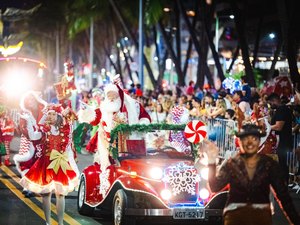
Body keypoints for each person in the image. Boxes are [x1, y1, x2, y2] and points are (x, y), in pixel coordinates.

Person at [205, 124, 300, 225]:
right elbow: (215, 186)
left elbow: (284, 196)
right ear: (240, 142)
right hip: (236, 217)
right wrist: (211, 161)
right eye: (245, 139)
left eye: (254, 138)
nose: (250, 142)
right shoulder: (232, 164)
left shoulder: (269, 164)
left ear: (259, 141)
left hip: (258, 217)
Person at [20, 104, 79, 225]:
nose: (51, 116)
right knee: (46, 194)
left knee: (60, 194)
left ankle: (60, 223)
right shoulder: (44, 130)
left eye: (53, 114)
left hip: (60, 164)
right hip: (45, 163)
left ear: (58, 116)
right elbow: (32, 136)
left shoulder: (65, 130)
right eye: (49, 114)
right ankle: (47, 222)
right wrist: (30, 121)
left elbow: (68, 149)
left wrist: (73, 167)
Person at [78, 83, 151, 171]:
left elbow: (145, 117)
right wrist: (86, 111)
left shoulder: (132, 106)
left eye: (113, 95)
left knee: (129, 167)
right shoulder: (104, 107)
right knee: (107, 168)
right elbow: (94, 119)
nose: (111, 98)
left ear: (119, 95)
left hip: (127, 143)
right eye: (109, 95)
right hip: (107, 145)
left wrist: (140, 125)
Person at [13, 91, 48, 197]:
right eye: (28, 100)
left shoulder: (44, 109)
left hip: (41, 139)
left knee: (38, 163)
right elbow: (22, 127)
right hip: (27, 140)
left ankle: (37, 184)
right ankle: (27, 187)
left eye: (32, 99)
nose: (30, 102)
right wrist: (31, 135)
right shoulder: (24, 112)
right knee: (26, 163)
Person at [267, 93, 293, 183]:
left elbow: (278, 126)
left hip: (282, 141)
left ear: (275, 100)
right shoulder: (282, 109)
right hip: (283, 140)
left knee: (281, 163)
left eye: (270, 103)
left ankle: (283, 183)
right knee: (281, 162)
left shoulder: (282, 109)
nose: (270, 105)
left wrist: (267, 127)